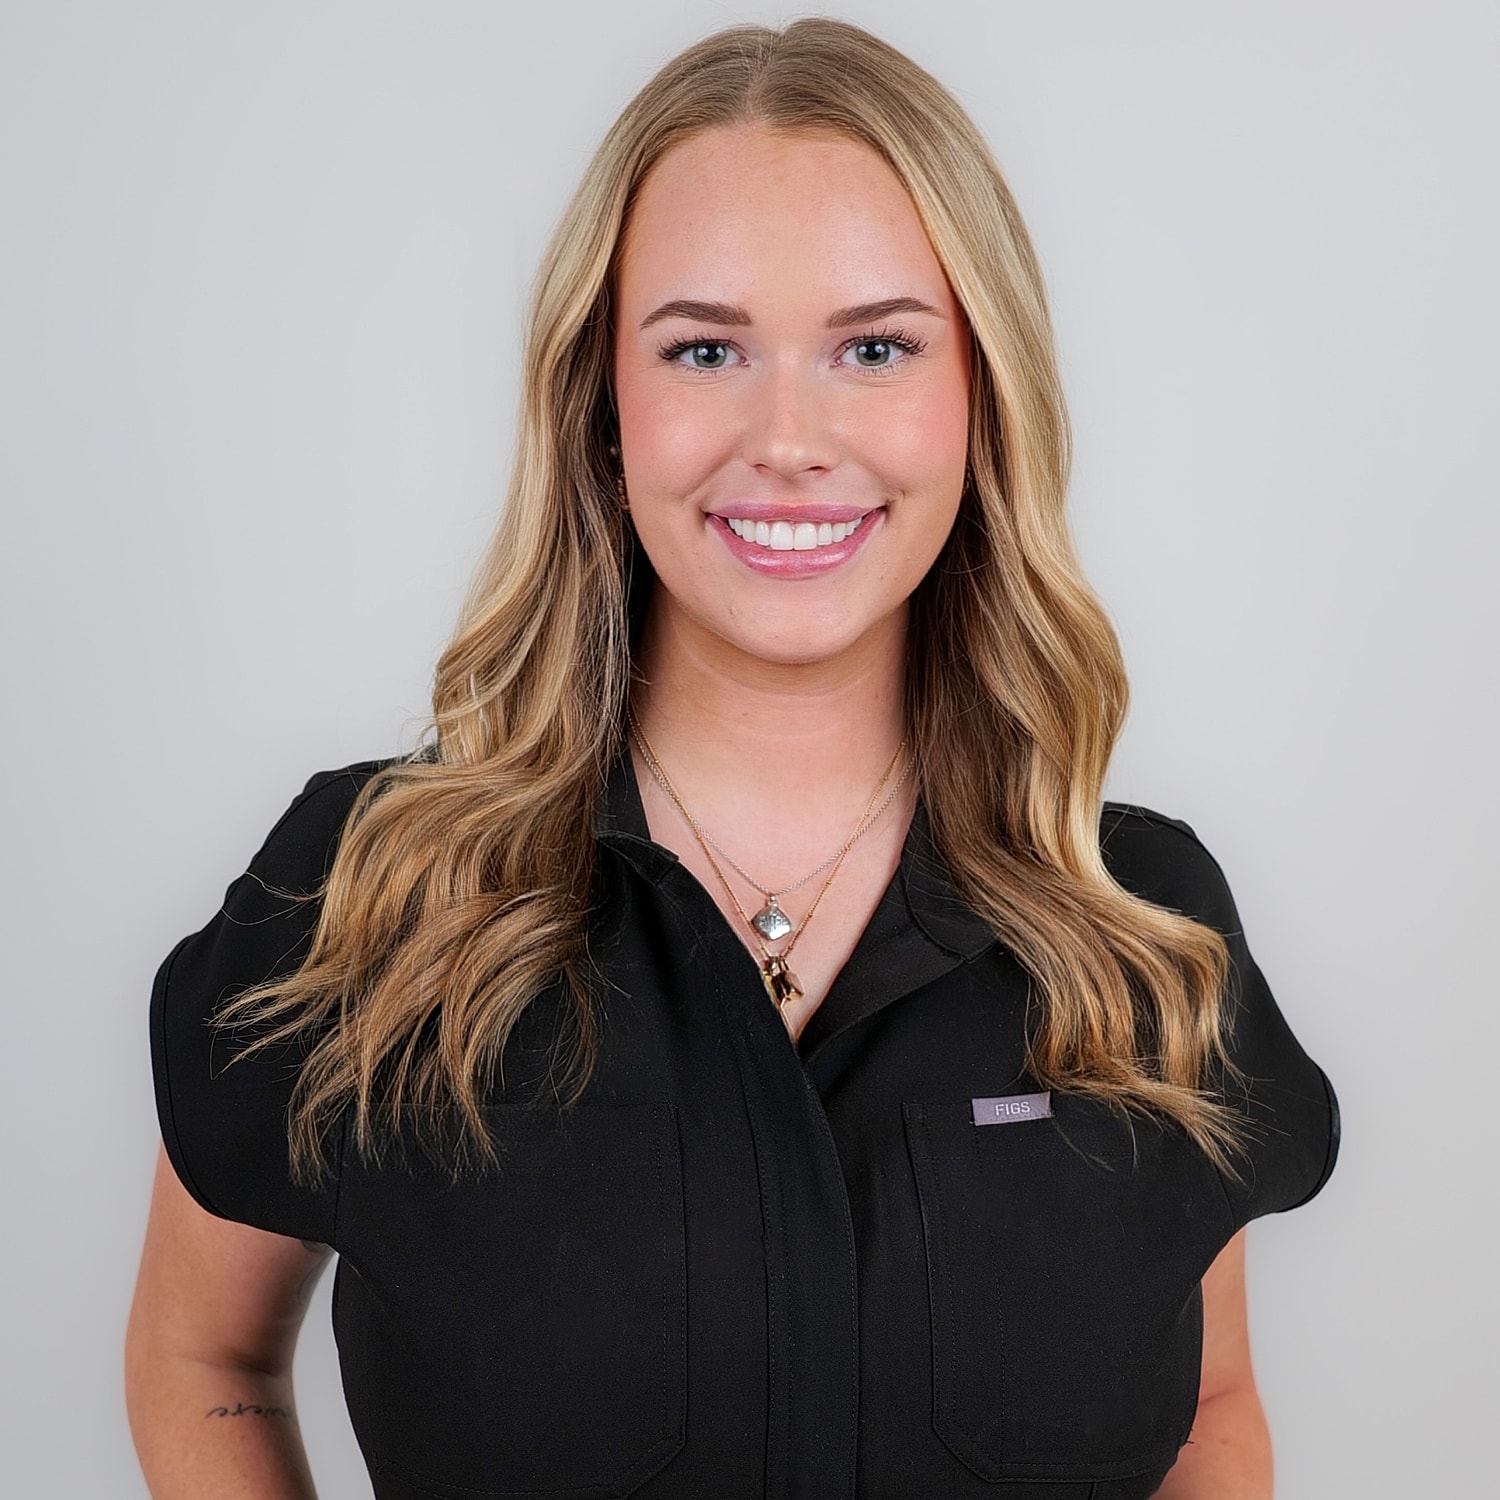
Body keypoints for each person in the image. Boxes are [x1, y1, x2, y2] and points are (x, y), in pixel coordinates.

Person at [125, 18, 1338, 1500]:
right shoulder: (371, 891)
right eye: (705, 349)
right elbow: (207, 1360)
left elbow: (1210, 1406)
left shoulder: (1139, 923)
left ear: (980, 396)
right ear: (605, 408)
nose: (789, 438)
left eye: (875, 347)